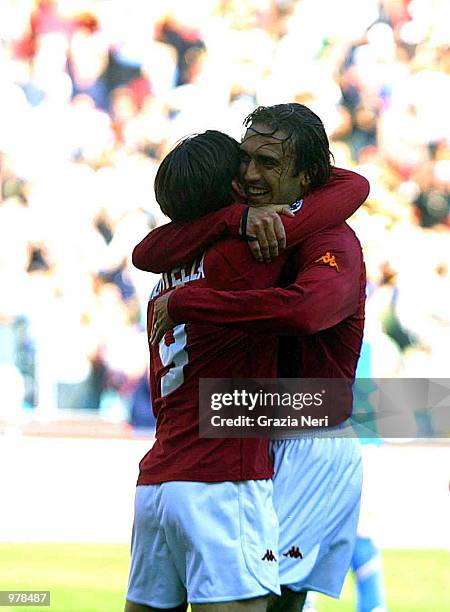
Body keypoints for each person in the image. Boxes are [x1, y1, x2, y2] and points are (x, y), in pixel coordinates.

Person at [127, 123, 368, 611]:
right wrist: (234, 219)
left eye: (268, 163)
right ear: (230, 189)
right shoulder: (239, 242)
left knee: (278, 602)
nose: (253, 175)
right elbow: (144, 251)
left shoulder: (321, 238)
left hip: (304, 432)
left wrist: (191, 299)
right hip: (234, 446)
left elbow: (307, 309)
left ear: (307, 179)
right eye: (245, 163)